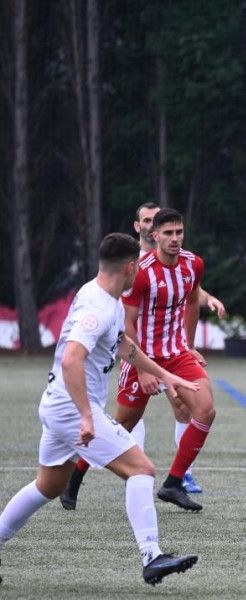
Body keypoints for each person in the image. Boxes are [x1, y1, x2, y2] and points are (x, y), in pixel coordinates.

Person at [0, 233, 198, 586]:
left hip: (57, 405)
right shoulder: (98, 307)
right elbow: (72, 360)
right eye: (139, 265)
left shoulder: (103, 295)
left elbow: (123, 344)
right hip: (71, 409)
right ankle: (152, 555)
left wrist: (166, 375)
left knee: (47, 485)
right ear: (130, 267)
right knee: (142, 469)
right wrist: (88, 416)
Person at [60, 205, 223, 509]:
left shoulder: (193, 264)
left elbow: (190, 302)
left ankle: (174, 483)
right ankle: (75, 476)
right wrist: (145, 370)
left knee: (206, 409)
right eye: (169, 233)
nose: (176, 238)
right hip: (141, 358)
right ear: (154, 235)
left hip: (175, 354)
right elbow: (127, 323)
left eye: (180, 232)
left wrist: (187, 345)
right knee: (123, 424)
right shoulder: (142, 271)